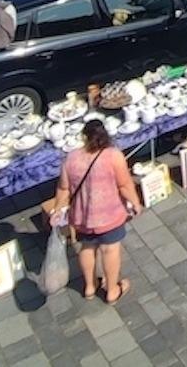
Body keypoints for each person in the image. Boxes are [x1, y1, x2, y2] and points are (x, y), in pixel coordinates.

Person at [53, 119, 140, 303]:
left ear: (84, 136)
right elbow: (124, 185)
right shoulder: (114, 156)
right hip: (109, 215)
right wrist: (135, 203)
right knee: (110, 250)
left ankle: (90, 287)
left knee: (87, 248)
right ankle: (112, 290)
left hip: (82, 216)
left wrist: (58, 209)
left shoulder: (71, 158)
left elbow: (64, 189)